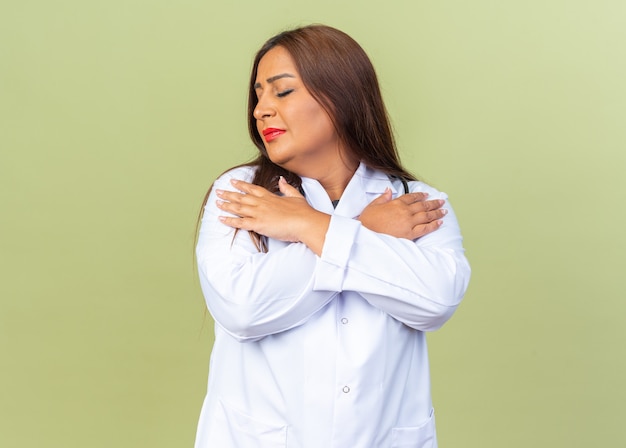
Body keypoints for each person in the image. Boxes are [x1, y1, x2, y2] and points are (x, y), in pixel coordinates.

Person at [194, 24, 470, 448]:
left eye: (281, 92)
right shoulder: (242, 194)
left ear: (340, 97)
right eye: (258, 95)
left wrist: (309, 226)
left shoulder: (417, 203)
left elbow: (435, 300)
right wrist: (366, 231)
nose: (260, 110)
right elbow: (243, 309)